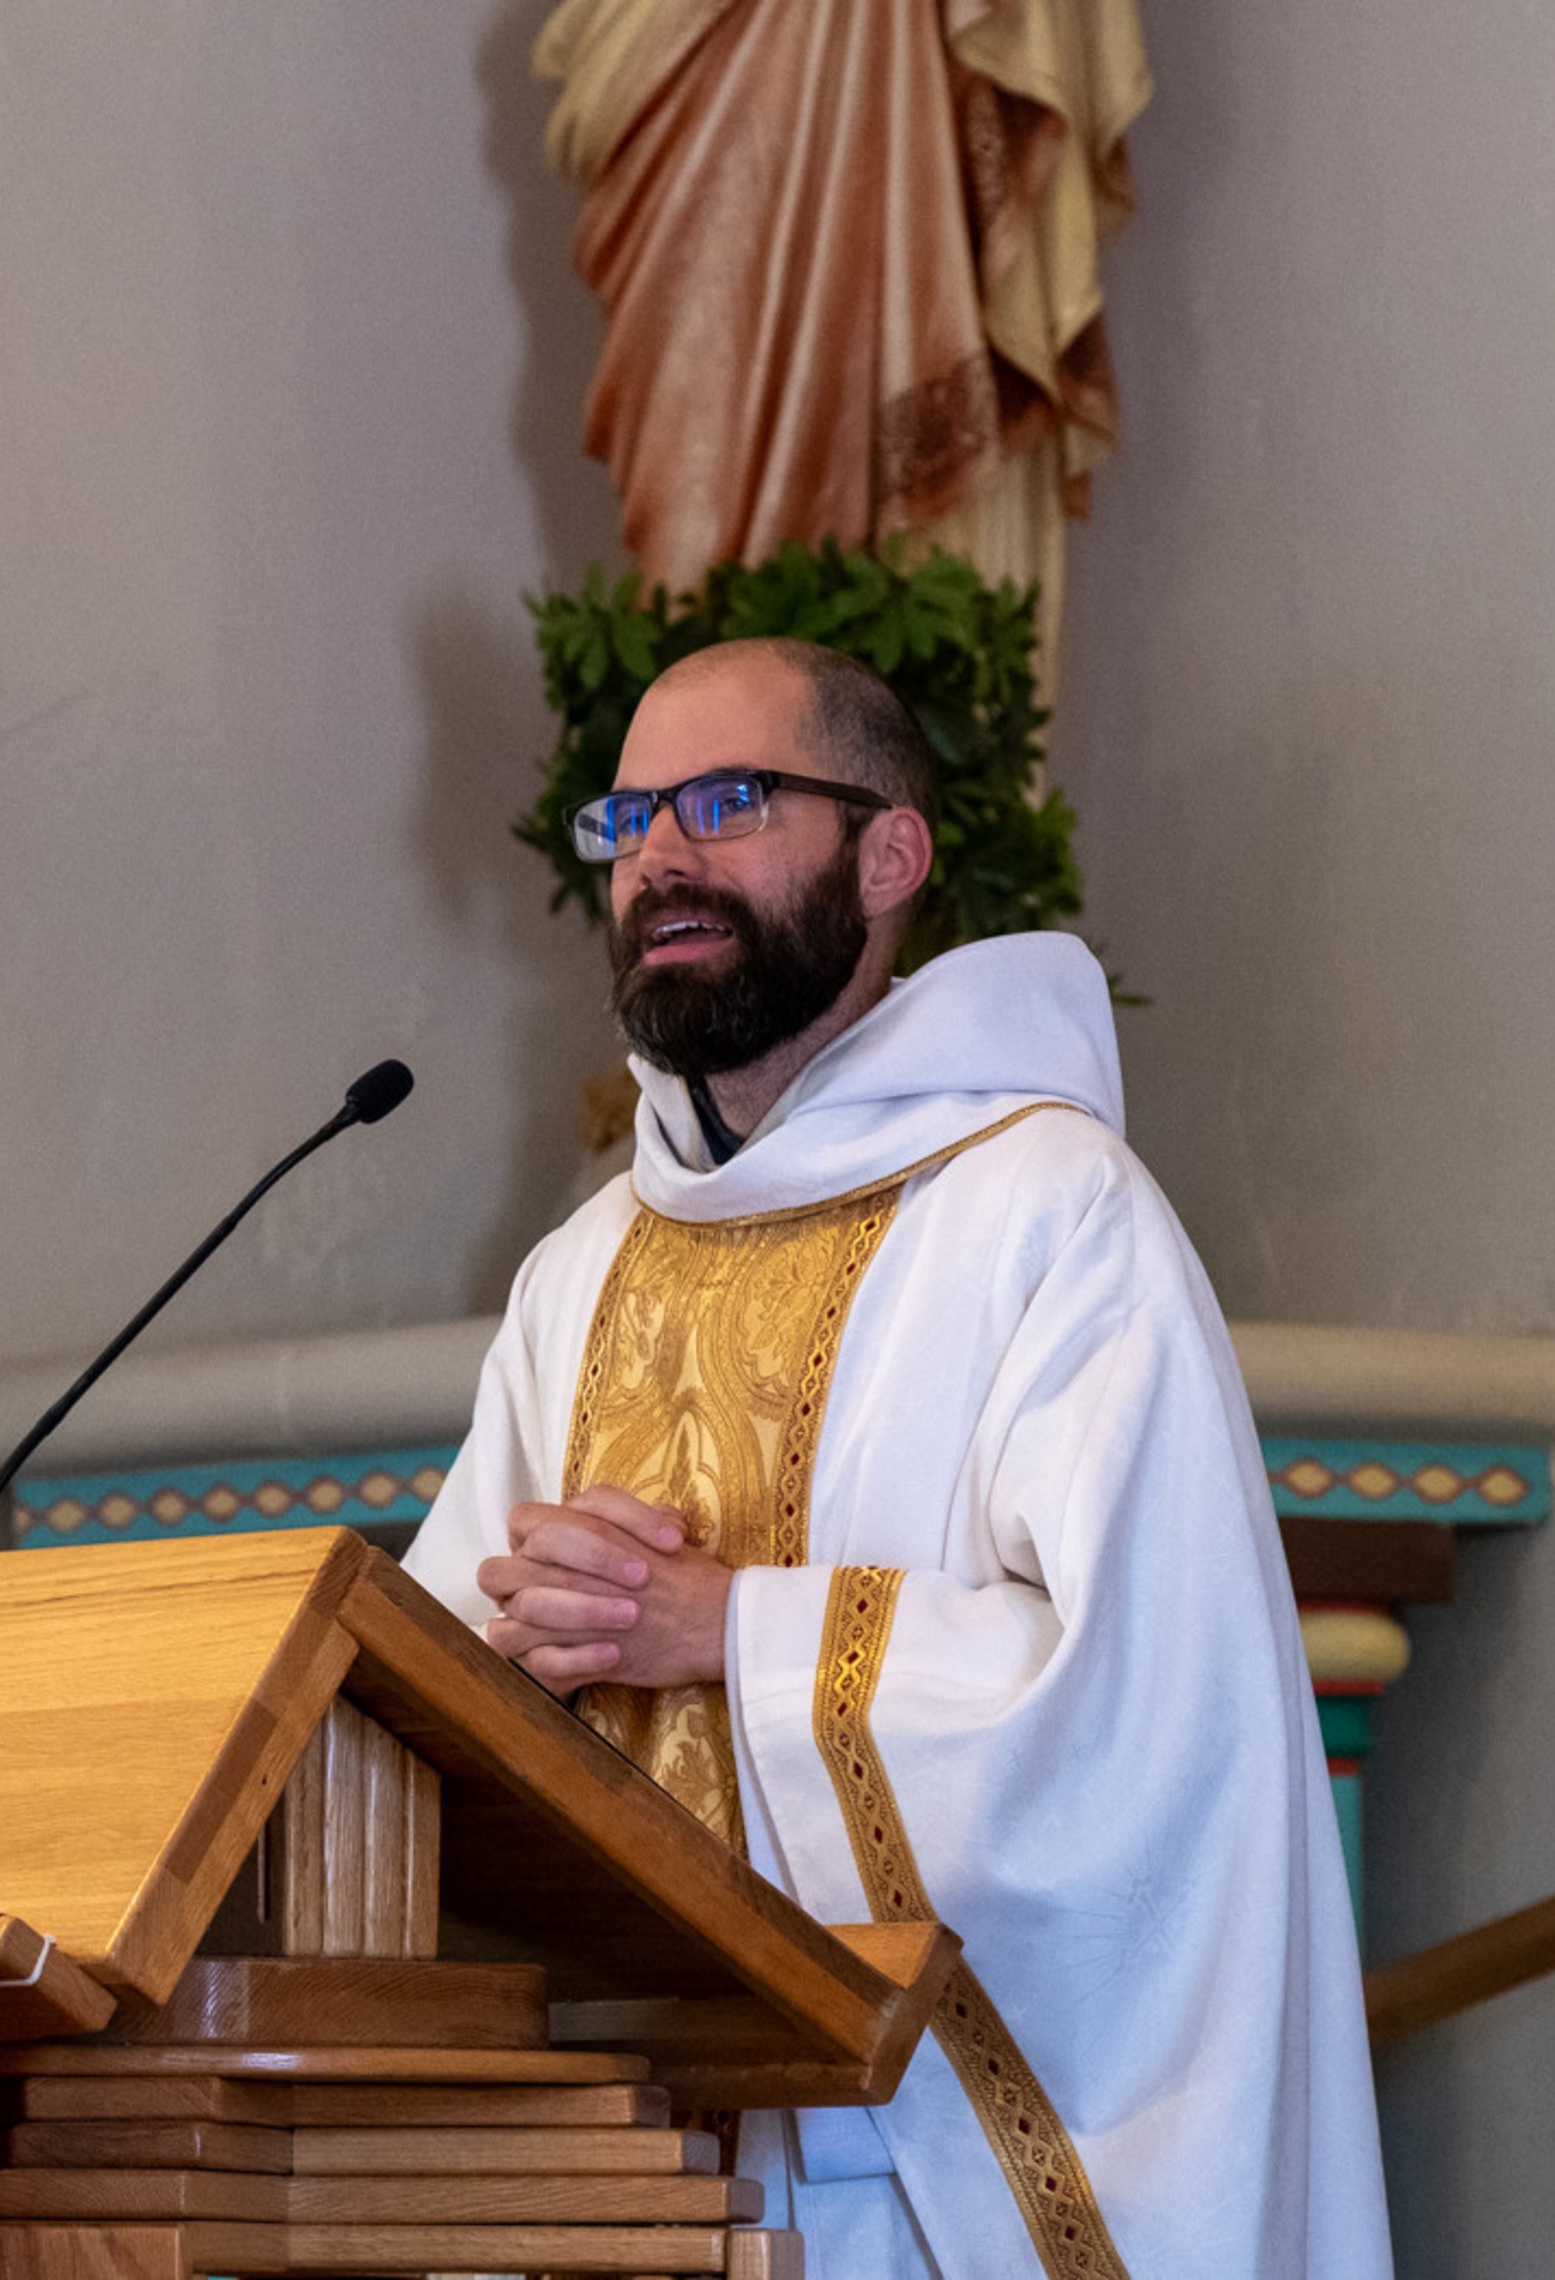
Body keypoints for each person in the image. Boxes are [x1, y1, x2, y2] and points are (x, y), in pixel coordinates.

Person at [403, 638, 1392, 2279]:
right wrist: (515, 1658)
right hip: (616, 2166)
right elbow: (447, 1665)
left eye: (725, 801)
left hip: (915, 2196)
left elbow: (1154, 1711)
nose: (662, 854)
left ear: (888, 855)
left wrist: (731, 1632)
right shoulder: (582, 1270)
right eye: (630, 816)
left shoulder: (1052, 1220)